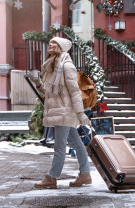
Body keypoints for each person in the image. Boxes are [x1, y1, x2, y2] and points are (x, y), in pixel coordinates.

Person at [28, 37, 92, 189]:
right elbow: (50, 92)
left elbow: (75, 92)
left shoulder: (66, 66)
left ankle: (52, 177)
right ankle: (85, 174)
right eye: (50, 42)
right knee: (77, 144)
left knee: (59, 147)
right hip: (60, 111)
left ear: (61, 47)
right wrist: (37, 82)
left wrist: (80, 113)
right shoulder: (52, 67)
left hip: (65, 111)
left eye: (54, 43)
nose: (50, 44)